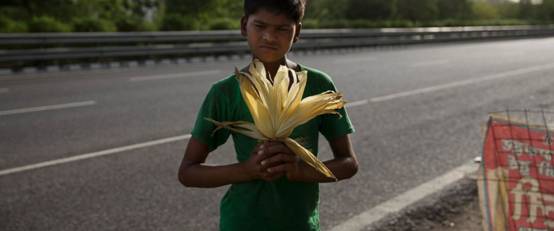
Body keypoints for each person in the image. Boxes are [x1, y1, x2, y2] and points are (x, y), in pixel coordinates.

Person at [178, 0, 359, 230]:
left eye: (282, 29)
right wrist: (246, 170)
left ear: (297, 32)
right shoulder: (225, 92)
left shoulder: (318, 84)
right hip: (240, 223)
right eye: (260, 26)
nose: (270, 37)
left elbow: (349, 163)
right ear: (244, 26)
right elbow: (188, 172)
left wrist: (300, 170)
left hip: (300, 225)